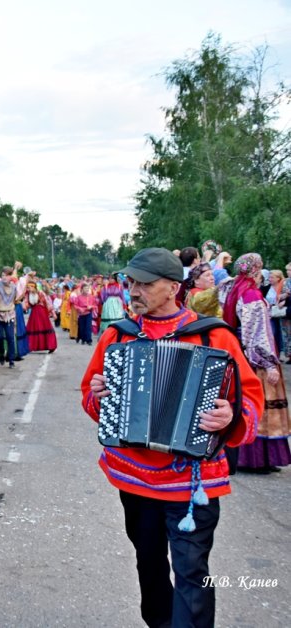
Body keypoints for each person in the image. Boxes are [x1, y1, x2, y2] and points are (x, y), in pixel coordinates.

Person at [81, 247, 262, 628]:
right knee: (148, 561)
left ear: (173, 287)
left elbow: (248, 397)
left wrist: (229, 415)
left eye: (144, 284)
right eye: (130, 282)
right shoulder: (119, 335)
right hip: (135, 478)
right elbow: (90, 395)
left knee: (192, 571)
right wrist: (100, 398)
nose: (134, 290)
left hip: (193, 481)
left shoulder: (213, 336)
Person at [223, 253, 290, 472]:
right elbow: (255, 333)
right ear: (256, 269)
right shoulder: (250, 294)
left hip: (241, 354)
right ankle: (257, 459)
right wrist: (268, 363)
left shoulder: (234, 289)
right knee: (260, 404)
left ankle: (261, 458)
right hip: (253, 359)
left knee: (248, 402)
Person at [0, 267, 19, 368]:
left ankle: (11, 361)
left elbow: (17, 298)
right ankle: (1, 353)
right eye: (2, 275)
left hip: (9, 314)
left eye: (6, 275)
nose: (4, 277)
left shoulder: (14, 287)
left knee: (11, 338)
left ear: (10, 276)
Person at [22, 281, 57, 353]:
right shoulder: (27, 294)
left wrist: (53, 313)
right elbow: (26, 304)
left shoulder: (40, 293)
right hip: (34, 313)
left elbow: (47, 303)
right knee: (33, 328)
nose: (28, 289)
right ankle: (31, 346)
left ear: (33, 287)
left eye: (29, 288)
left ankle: (51, 346)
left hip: (42, 312)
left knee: (45, 327)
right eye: (27, 288)